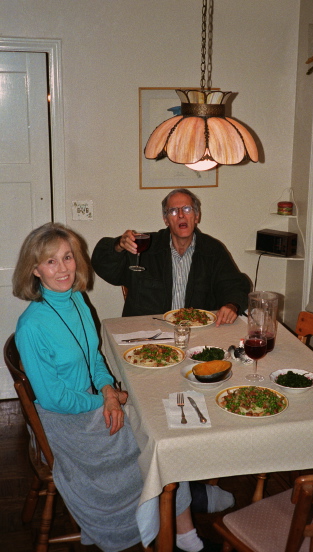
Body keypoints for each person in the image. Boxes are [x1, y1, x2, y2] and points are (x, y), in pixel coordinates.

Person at [12, 222, 209, 552]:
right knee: (159, 436)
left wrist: (107, 391)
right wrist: (106, 402)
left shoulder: (76, 299)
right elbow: (53, 398)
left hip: (93, 402)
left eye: (68, 257)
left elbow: (95, 359)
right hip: (65, 421)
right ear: (34, 270)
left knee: (163, 415)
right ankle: (182, 512)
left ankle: (185, 510)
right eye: (51, 261)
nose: (63, 268)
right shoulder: (31, 326)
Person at [92, 188, 250, 325]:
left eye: (187, 209)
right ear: (166, 220)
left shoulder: (212, 250)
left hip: (197, 333)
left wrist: (232, 305)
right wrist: (118, 245)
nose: (181, 215)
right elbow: (103, 265)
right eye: (173, 211)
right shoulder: (145, 246)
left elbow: (234, 285)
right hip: (149, 334)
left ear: (196, 216)